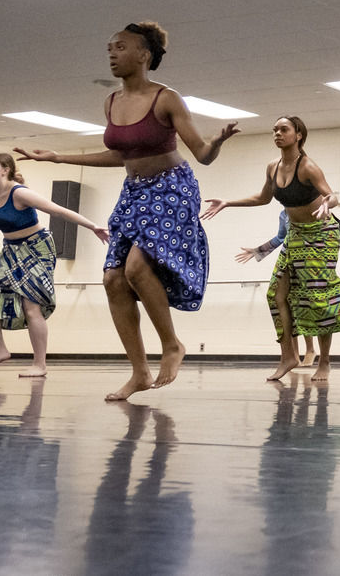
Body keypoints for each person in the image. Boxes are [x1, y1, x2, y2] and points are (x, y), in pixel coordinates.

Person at [16, 22, 237, 401]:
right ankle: (139, 372)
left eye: (120, 47)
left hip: (172, 188)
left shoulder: (166, 98)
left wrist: (215, 142)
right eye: (109, 48)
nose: (112, 53)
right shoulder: (111, 102)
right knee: (113, 280)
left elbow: (201, 154)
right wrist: (57, 157)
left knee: (136, 267)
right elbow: (121, 155)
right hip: (134, 191)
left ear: (143, 55)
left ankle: (171, 345)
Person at [202, 115, 340, 382]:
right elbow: (263, 198)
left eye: (283, 129)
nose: (277, 134)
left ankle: (325, 362)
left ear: (298, 135)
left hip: (321, 234)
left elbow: (332, 196)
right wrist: (228, 202)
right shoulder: (272, 167)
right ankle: (288, 356)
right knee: (276, 294)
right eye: (274, 130)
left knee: (317, 300)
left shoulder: (308, 167)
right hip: (295, 234)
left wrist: (327, 204)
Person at [0, 151, 109, 376]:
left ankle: (40, 364)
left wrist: (93, 226)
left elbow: (58, 210)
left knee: (31, 305)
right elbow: (2, 216)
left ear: (5, 170)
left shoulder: (20, 193)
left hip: (37, 248)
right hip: (10, 249)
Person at [236, 209, 340, 367]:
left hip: (312, 260)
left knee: (313, 303)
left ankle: (316, 355)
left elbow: (335, 226)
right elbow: (280, 237)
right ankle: (296, 354)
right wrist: (258, 251)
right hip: (293, 260)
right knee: (292, 303)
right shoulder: (284, 215)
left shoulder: (311, 207)